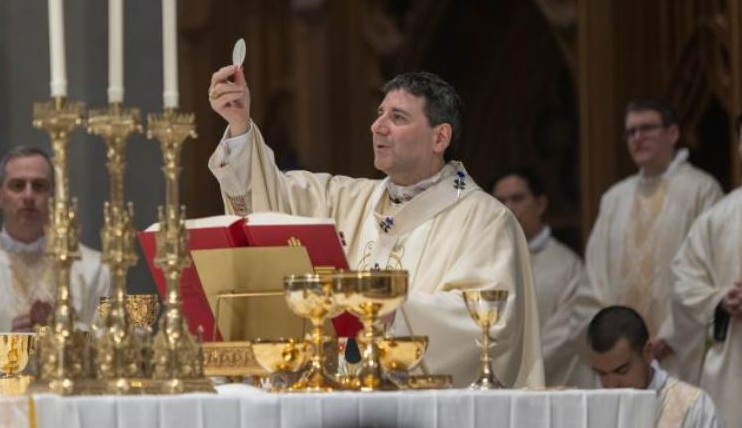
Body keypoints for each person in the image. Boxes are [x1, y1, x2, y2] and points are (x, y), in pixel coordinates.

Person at [207, 67, 543, 387]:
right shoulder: (351, 200)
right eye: (380, 114)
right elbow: (273, 203)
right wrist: (240, 126)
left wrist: (387, 312)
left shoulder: (484, 219)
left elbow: (491, 326)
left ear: (440, 137)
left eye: (398, 118)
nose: (377, 126)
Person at [581, 99, 722, 375]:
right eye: (631, 132)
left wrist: (670, 335)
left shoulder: (702, 190)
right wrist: (612, 336)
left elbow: (708, 269)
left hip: (678, 350)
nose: (637, 138)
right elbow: (595, 276)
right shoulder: (614, 199)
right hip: (619, 356)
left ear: (673, 133)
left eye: (647, 128)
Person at [0, 146, 109, 331]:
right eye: (17, 186)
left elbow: (118, 344)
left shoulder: (97, 271)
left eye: (39, 186)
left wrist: (67, 334)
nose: (28, 195)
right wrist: (6, 352)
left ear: (55, 197)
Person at [671, 98, 742, 428]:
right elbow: (684, 282)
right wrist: (721, 300)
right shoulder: (715, 220)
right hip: (732, 371)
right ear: (738, 145)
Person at [491, 167, 593, 387]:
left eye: (517, 199)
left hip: (548, 386)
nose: (508, 208)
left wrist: (515, 369)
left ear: (540, 204)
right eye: (500, 201)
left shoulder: (567, 266)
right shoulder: (483, 262)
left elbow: (567, 332)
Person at [587, 306, 720, 428]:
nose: (611, 385)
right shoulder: (591, 407)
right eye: (601, 374)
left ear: (648, 352)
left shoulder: (694, 407)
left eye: (622, 371)